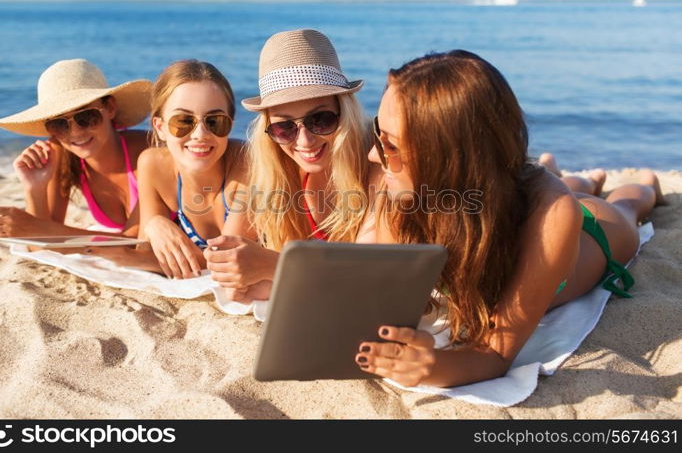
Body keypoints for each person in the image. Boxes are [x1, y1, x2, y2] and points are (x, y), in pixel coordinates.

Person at [355, 50, 665, 388]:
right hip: (510, 202)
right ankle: (578, 179)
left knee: (625, 208)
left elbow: (496, 355)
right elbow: (391, 302)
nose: (374, 153)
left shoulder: (553, 215)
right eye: (377, 133)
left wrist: (432, 368)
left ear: (449, 155)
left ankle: (647, 183)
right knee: (559, 190)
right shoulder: (398, 192)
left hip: (592, 235)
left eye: (391, 145)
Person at [203, 29, 374, 301]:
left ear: (346, 113)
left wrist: (274, 267)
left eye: (320, 120)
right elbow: (228, 271)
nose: (304, 141)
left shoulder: (376, 163)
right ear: (268, 129)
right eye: (284, 127)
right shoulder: (272, 170)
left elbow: (370, 282)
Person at [0, 59, 151, 239]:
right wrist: (35, 188)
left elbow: (136, 241)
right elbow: (39, 243)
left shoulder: (147, 153)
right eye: (59, 124)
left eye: (86, 116)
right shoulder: (62, 155)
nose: (75, 132)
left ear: (110, 108)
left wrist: (39, 230)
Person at [137, 60, 248, 279]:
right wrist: (154, 224)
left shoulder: (247, 164)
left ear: (231, 125)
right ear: (160, 127)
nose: (200, 134)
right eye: (184, 121)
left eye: (215, 121)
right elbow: (144, 250)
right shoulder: (152, 165)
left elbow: (225, 260)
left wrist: (117, 255)